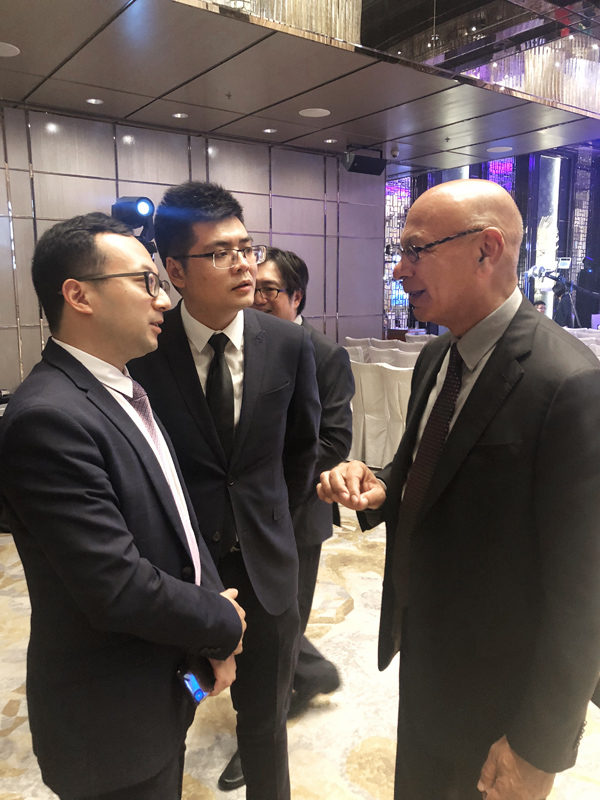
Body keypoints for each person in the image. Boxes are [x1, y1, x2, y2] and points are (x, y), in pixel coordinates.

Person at [318, 179, 600, 800]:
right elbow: (430, 465)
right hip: (426, 649)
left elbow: (585, 591)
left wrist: (540, 745)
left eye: (416, 249)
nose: (400, 269)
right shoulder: (437, 357)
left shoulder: (569, 383)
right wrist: (380, 483)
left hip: (501, 686)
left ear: (486, 249)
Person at [0, 214, 246, 800]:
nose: (163, 298)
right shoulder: (50, 418)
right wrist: (222, 622)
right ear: (79, 295)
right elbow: (115, 585)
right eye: (144, 281)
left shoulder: (122, 388)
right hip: (108, 719)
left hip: (160, 685)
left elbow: (180, 520)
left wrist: (212, 630)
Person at [128, 183, 321, 800]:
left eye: (246, 248)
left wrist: (272, 527)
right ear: (176, 270)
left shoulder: (287, 344)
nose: (244, 265)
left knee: (264, 722)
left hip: (267, 575)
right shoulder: (144, 351)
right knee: (175, 711)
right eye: (220, 253)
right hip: (180, 579)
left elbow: (302, 452)